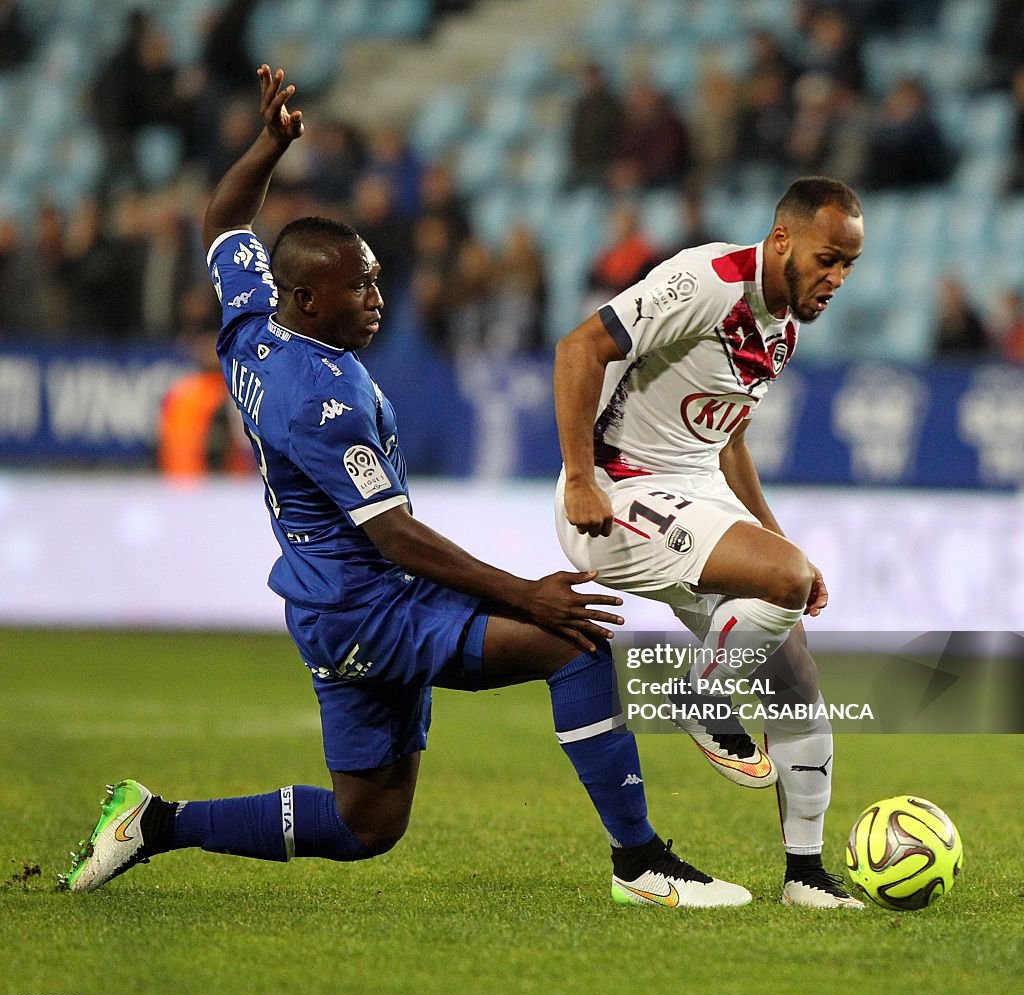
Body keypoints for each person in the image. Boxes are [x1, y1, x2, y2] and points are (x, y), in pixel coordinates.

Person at [59, 66, 752, 910]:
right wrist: (528, 595)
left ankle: (153, 822)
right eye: (362, 286)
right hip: (371, 604)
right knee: (574, 643)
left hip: (332, 604)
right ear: (309, 299)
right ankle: (640, 865)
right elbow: (395, 537)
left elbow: (222, 219)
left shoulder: (251, 327)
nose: (379, 298)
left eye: (377, 278)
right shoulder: (324, 398)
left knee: (367, 824)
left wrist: (267, 148)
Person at [552, 175, 866, 909]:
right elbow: (578, 348)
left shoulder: (783, 326)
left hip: (694, 495)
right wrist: (578, 478)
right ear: (783, 239)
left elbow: (728, 442)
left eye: (849, 265)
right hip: (617, 492)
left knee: (795, 677)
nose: (838, 279)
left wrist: (778, 542)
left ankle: (807, 876)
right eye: (828, 259)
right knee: (782, 585)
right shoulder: (707, 280)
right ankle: (701, 694)